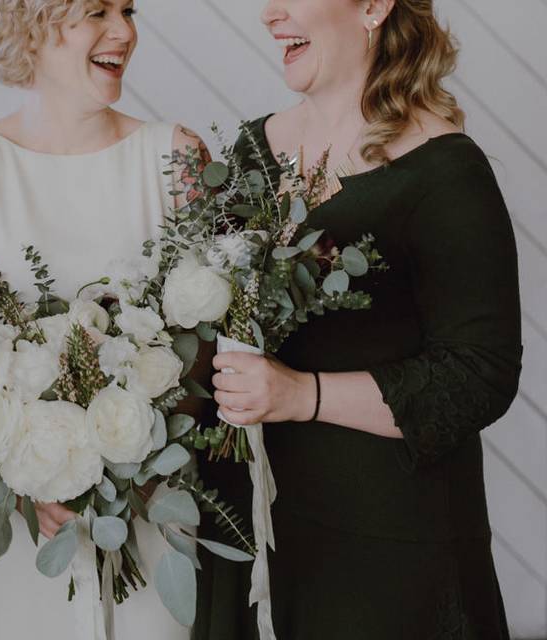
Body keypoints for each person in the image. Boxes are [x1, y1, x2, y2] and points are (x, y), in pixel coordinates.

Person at [196, 0, 522, 637]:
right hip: (259, 530)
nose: (269, 12)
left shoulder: (446, 170)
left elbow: (480, 375)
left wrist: (302, 395)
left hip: (391, 550)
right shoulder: (252, 151)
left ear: (373, 6)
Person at [0, 1, 207, 638]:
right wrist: (29, 480)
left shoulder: (176, 158)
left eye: (128, 9)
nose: (124, 31)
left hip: (153, 511)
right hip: (23, 528)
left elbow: (210, 360)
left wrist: (138, 463)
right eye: (96, 11)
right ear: (30, 22)